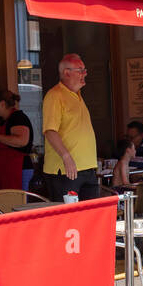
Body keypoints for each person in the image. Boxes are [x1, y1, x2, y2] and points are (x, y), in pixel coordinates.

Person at [42, 52, 100, 201]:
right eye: (80, 70)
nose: (85, 74)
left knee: (90, 217)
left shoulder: (77, 95)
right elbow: (50, 131)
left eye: (85, 70)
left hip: (87, 168)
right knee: (68, 220)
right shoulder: (55, 95)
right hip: (67, 170)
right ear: (66, 72)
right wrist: (66, 157)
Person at [0, 89, 33, 199]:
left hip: (16, 170)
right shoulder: (2, 120)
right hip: (3, 172)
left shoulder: (18, 118)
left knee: (15, 204)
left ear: (2, 104)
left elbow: (22, 141)